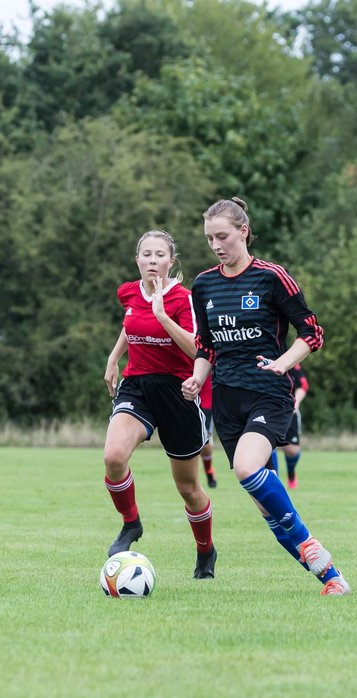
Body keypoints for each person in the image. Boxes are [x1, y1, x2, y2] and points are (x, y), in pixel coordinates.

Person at [181, 198, 350, 596]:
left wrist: (283, 364)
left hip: (268, 395)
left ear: (243, 231)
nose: (216, 245)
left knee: (245, 468)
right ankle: (332, 579)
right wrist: (196, 377)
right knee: (269, 510)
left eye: (222, 236)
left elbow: (312, 333)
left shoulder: (272, 277)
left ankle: (310, 543)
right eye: (209, 239)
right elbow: (206, 345)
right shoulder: (203, 285)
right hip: (225, 402)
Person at [103, 230, 217, 578]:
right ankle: (131, 523)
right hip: (137, 387)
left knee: (188, 488)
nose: (152, 261)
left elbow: (197, 348)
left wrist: (164, 315)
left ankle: (205, 551)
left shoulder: (184, 299)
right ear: (137, 259)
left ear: (171, 261)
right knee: (113, 457)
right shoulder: (128, 292)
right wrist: (113, 358)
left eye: (159, 255)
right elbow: (131, 324)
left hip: (178, 393)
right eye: (146, 255)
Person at [267, 366, 307, 488]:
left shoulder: (289, 360)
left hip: (289, 410)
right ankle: (275, 480)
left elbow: (303, 385)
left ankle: (291, 472)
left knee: (292, 450)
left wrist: (296, 403)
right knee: (267, 446)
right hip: (267, 409)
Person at [198, 381, 217, 488]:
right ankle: (192, 480)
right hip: (186, 399)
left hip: (206, 402)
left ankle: (209, 471)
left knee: (205, 443)